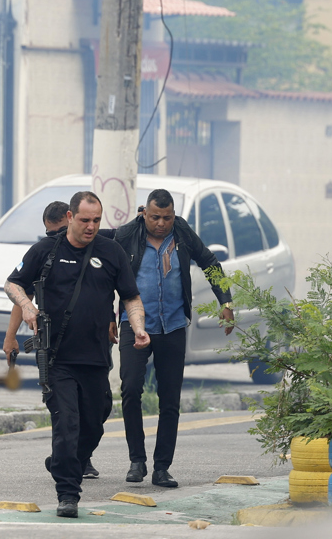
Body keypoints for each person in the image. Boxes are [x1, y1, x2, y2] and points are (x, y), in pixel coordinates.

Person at [4, 191, 150, 518]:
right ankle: (68, 493)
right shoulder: (47, 250)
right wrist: (26, 305)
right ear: (70, 217)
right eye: (84, 220)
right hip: (58, 359)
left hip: (96, 358)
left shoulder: (111, 252)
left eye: (96, 220)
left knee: (95, 423)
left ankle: (62, 461)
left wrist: (138, 327)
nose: (91, 227)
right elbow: (13, 283)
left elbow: (131, 298)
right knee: (67, 424)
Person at [113, 188, 234, 488]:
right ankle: (136, 460)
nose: (161, 223)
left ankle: (161, 467)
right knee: (130, 389)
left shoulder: (182, 232)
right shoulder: (127, 235)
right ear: (144, 213)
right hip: (135, 323)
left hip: (173, 326)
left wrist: (226, 303)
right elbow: (106, 275)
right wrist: (106, 316)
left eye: (167, 217)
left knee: (170, 400)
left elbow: (210, 262)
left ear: (174, 215)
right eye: (155, 217)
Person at [2, 200, 110, 480]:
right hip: (56, 348)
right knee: (65, 413)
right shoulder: (47, 253)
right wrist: (11, 335)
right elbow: (20, 292)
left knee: (101, 409)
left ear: (71, 219)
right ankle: (70, 468)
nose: (58, 238)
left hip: (93, 349)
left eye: (61, 231)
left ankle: (74, 457)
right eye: (52, 233)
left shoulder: (100, 243)